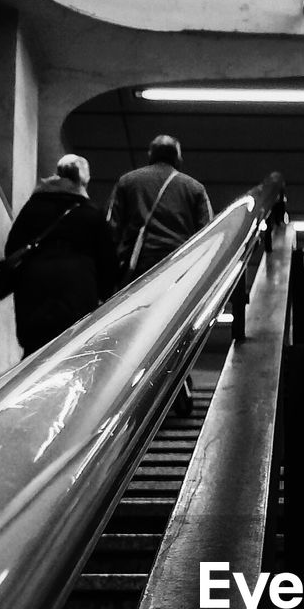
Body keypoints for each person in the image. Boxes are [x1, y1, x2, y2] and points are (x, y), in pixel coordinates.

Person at [106, 135, 213, 414]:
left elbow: (112, 229)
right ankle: (178, 391)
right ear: (178, 157)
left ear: (150, 155)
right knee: (175, 329)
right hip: (180, 270)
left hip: (138, 271)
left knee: (137, 334)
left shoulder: (127, 182)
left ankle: (137, 399)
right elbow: (209, 233)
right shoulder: (194, 187)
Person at [3, 154, 119, 356]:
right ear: (83, 180)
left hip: (33, 292)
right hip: (78, 293)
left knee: (35, 355)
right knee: (72, 354)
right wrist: (105, 293)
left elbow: (12, 248)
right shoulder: (91, 213)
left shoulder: (32, 207)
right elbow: (107, 261)